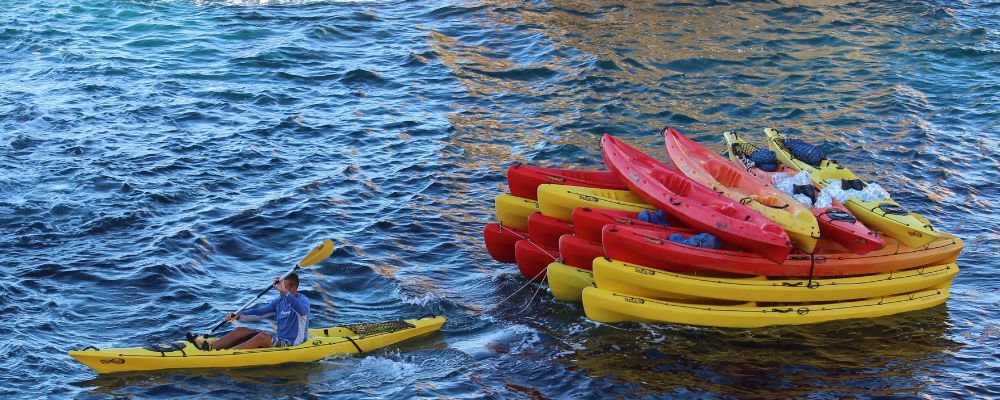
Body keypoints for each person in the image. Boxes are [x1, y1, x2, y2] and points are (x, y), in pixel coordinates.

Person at [194, 272, 310, 350]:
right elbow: (259, 312)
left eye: (284, 287)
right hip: (279, 337)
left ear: (293, 288)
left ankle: (226, 355)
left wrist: (285, 293)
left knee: (262, 337)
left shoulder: (303, 300)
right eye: (281, 287)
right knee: (240, 330)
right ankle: (210, 347)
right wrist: (238, 316)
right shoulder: (280, 301)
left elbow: (302, 311)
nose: (280, 290)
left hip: (293, 343)